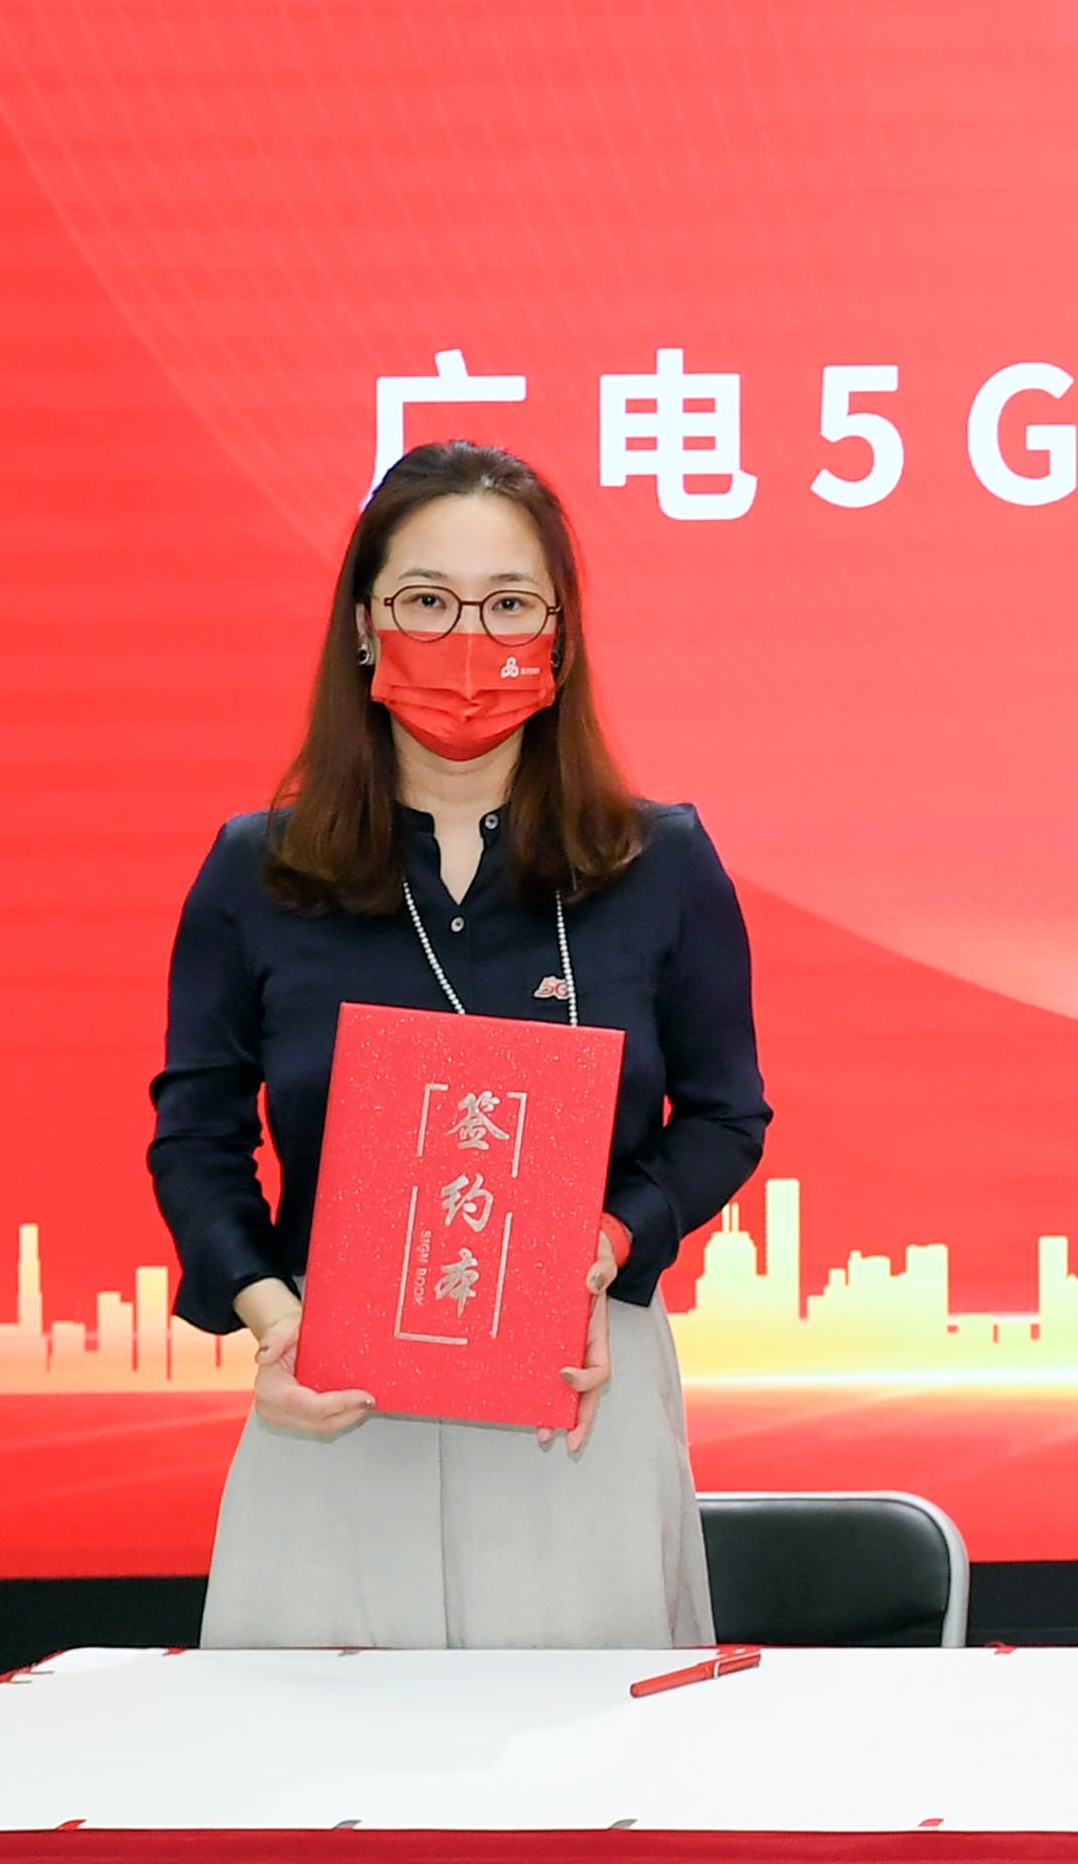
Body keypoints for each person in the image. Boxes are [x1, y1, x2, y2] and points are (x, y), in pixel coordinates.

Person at [152, 440, 771, 1647]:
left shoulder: (658, 865)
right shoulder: (257, 872)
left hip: (573, 1392)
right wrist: (274, 1318)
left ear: (559, 635)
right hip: (332, 1395)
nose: (468, 641)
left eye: (508, 605)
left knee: (584, 1751)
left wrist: (599, 1245)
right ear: (364, 626)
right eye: (427, 602)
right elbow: (196, 1138)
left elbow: (723, 1116)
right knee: (316, 1752)